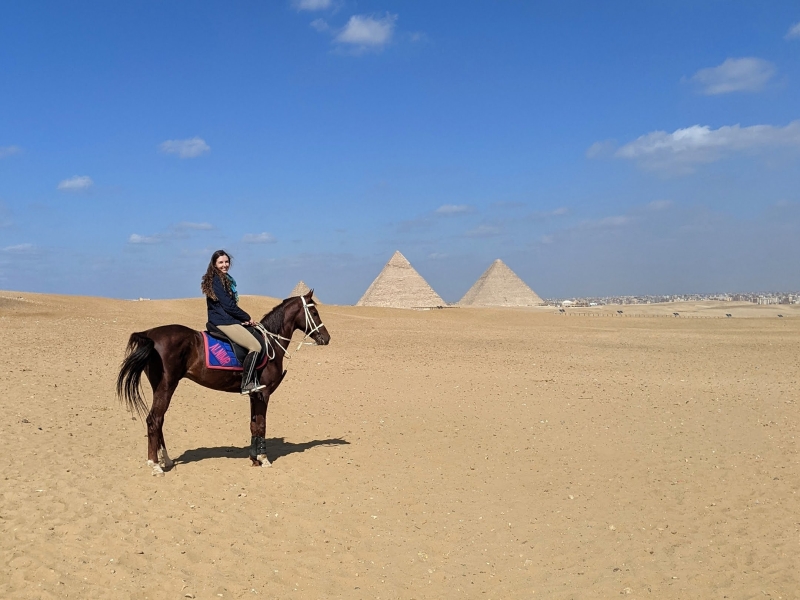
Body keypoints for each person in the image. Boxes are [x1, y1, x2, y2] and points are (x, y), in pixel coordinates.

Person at [201, 250, 266, 395]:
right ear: (214, 264)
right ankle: (247, 383)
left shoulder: (224, 279)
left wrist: (240, 320)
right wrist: (247, 317)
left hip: (227, 319)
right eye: (221, 262)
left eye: (226, 262)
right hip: (222, 322)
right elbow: (228, 306)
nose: (224, 265)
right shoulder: (216, 280)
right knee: (255, 346)